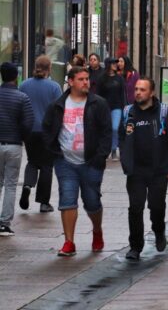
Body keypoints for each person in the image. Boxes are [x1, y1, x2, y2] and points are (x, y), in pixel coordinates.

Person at [43, 66, 112, 256]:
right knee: (67, 199)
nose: (85, 82)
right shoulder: (58, 105)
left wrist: (100, 156)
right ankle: (69, 242)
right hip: (65, 161)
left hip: (91, 162)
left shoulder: (98, 104)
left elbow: (107, 132)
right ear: (71, 81)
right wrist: (53, 150)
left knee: (92, 203)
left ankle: (97, 231)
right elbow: (47, 129)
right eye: (81, 79)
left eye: (87, 79)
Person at [119, 78, 168, 260]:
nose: (138, 92)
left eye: (142, 90)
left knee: (156, 206)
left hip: (158, 170)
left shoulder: (163, 112)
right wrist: (125, 159)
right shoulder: (128, 112)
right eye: (136, 89)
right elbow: (121, 137)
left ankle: (158, 230)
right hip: (136, 171)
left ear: (151, 93)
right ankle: (135, 246)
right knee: (135, 208)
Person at [18, 56, 62, 214]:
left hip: (29, 131)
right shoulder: (54, 87)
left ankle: (27, 186)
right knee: (46, 166)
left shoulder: (24, 85)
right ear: (49, 68)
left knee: (31, 161)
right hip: (47, 132)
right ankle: (44, 202)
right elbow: (59, 110)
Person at [0, 63, 34, 236]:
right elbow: (28, 123)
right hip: (13, 145)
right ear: (16, 77)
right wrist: (20, 135)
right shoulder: (22, 98)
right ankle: (4, 223)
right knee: (10, 185)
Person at [95, 58, 126, 160]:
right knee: (105, 128)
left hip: (117, 107)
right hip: (104, 106)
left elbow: (122, 93)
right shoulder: (102, 78)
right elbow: (98, 93)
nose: (115, 65)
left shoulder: (119, 78)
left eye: (116, 63)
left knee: (115, 128)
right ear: (108, 64)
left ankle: (113, 149)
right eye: (113, 63)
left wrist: (124, 106)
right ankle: (105, 148)